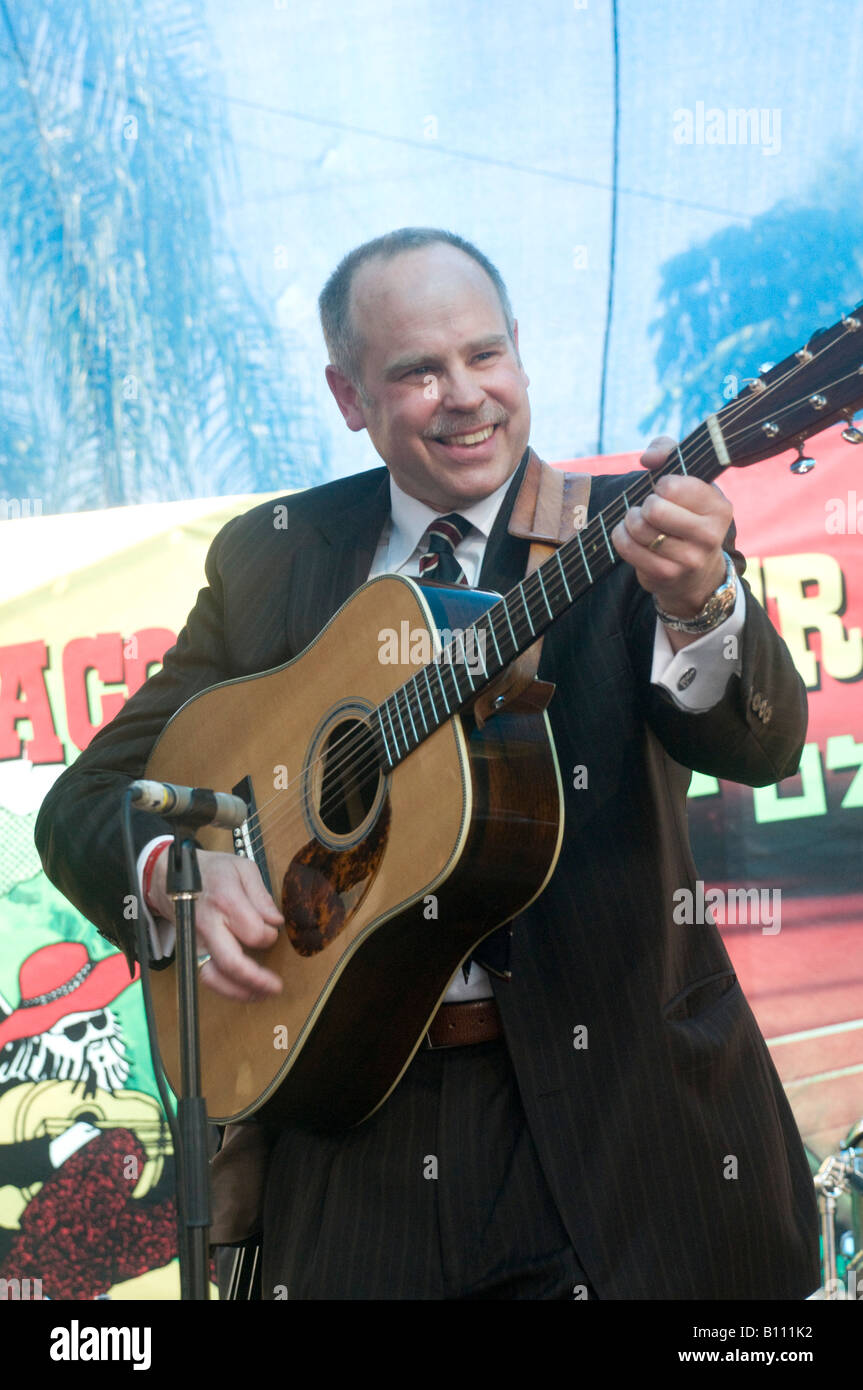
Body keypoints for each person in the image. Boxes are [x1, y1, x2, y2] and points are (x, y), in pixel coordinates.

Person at [35, 227, 819, 1300]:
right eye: (416, 371)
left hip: (617, 1132)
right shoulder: (275, 555)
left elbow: (758, 740)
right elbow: (88, 798)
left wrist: (703, 605)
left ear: (519, 356)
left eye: (484, 355)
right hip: (354, 1135)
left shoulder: (628, 535)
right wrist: (178, 868)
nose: (464, 395)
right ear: (348, 395)